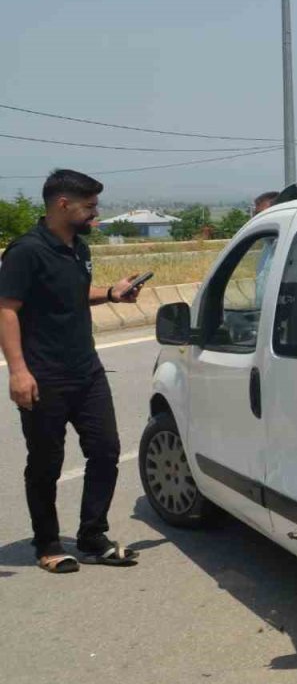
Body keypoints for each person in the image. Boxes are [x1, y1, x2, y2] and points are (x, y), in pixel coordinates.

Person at [0, 169, 145, 573]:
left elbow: (73, 292)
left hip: (87, 371)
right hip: (44, 375)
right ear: (63, 204)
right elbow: (6, 309)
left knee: (105, 451)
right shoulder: (26, 250)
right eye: (90, 206)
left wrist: (111, 293)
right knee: (46, 461)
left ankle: (92, 536)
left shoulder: (78, 247)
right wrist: (18, 371)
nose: (95, 213)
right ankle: (47, 543)